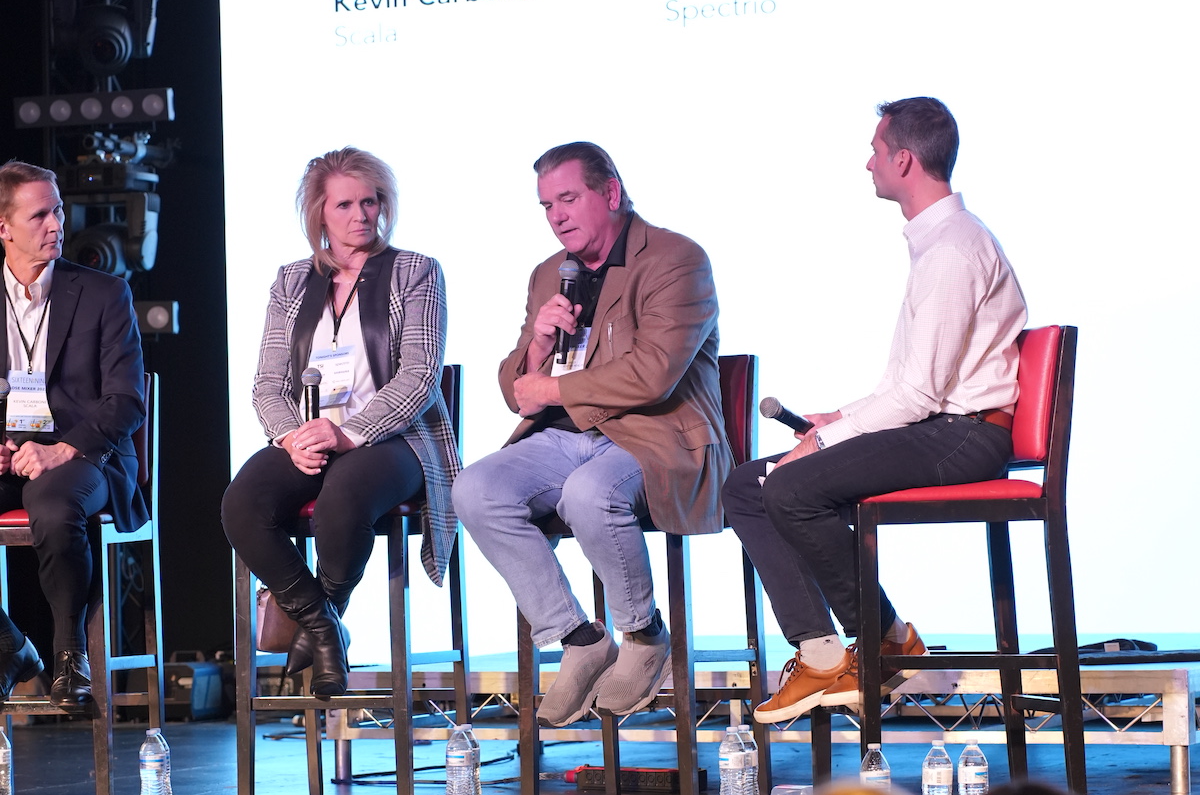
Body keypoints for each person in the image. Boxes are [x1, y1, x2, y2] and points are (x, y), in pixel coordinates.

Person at [724, 97, 1028, 721]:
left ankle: (885, 643)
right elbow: (910, 383)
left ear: (904, 159)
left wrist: (820, 444)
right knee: (748, 486)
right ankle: (823, 656)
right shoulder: (937, 243)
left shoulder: (952, 250)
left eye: (875, 151)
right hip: (941, 425)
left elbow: (919, 396)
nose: (868, 163)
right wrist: (838, 420)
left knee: (791, 487)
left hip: (965, 435)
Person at [452, 142, 732, 726]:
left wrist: (553, 389)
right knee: (475, 490)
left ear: (610, 193)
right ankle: (579, 639)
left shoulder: (676, 258)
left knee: (590, 493)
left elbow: (654, 373)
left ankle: (644, 635)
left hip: (656, 434)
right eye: (546, 205)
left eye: (568, 198)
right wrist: (537, 343)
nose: (556, 216)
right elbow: (517, 390)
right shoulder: (550, 274)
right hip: (567, 437)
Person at [221, 147, 459, 697]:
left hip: (394, 439)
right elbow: (267, 384)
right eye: (345, 205)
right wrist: (290, 437)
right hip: (307, 435)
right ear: (319, 215)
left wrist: (350, 433)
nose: (361, 215)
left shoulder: (416, 271)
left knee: (343, 497)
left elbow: (421, 375)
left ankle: (321, 618)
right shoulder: (291, 281)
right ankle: (324, 625)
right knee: (242, 503)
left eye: (370, 202)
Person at [0, 160, 147, 707]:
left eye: (58, 211)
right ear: (3, 227)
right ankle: (11, 645)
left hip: (88, 455)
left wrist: (63, 449)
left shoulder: (105, 293)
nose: (56, 225)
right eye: (40, 215)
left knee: (55, 504)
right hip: (14, 453)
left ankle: (69, 652)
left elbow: (127, 400)